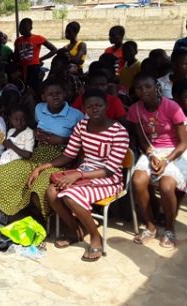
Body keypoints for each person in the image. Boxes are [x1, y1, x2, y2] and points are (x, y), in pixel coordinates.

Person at [39, 90, 130, 261]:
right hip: (83, 174)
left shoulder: (119, 132)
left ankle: (96, 238)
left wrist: (79, 174)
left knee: (70, 197)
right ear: (84, 109)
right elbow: (69, 154)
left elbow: (109, 169)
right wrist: (43, 167)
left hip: (108, 179)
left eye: (99, 105)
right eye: (90, 106)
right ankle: (75, 231)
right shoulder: (81, 126)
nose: (95, 109)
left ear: (106, 107)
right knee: (52, 192)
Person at [0, 78, 84, 220]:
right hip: (37, 154)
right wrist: (36, 132)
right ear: (43, 97)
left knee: (38, 187)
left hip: (61, 159)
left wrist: (62, 139)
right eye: (50, 94)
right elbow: (37, 125)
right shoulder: (39, 109)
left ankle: (39, 221)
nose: (55, 96)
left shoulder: (76, 115)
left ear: (65, 94)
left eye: (58, 93)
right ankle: (16, 214)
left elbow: (82, 141)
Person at [129, 72, 187, 249]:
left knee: (166, 186)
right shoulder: (135, 110)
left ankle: (169, 229)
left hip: (175, 151)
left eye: (148, 86)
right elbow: (141, 140)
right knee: (138, 181)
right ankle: (150, 225)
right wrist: (152, 155)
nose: (143, 90)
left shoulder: (172, 107)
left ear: (157, 87)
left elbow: (183, 143)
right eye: (139, 88)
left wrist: (166, 161)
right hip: (152, 151)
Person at [14, 18, 57, 91]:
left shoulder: (38, 38)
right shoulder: (18, 40)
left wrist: (40, 59)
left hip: (34, 68)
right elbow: (16, 55)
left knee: (34, 88)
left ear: (30, 28)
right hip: (21, 68)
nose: (21, 29)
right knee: (22, 88)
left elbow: (54, 50)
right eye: (20, 27)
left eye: (24, 27)